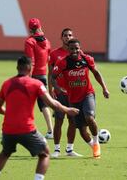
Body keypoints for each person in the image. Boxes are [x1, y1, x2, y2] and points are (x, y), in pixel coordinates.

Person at [0, 55, 79, 180]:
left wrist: (11, 114)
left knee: (5, 153)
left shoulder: (7, 84)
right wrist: (67, 109)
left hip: (8, 129)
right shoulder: (36, 84)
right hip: (27, 129)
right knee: (45, 154)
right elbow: (52, 103)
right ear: (29, 68)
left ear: (17, 67)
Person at [51, 39, 109, 158]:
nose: (75, 51)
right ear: (68, 49)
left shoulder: (87, 59)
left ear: (80, 47)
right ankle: (93, 147)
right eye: (72, 49)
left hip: (87, 94)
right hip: (73, 99)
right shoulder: (63, 62)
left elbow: (96, 73)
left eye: (77, 48)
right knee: (82, 131)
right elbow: (53, 77)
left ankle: (96, 142)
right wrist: (57, 88)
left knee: (90, 117)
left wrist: (104, 88)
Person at [47, 28, 81, 158]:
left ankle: (69, 149)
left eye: (70, 35)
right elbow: (50, 74)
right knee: (59, 121)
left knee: (73, 121)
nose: (68, 37)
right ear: (61, 38)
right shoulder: (55, 54)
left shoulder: (78, 53)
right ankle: (56, 150)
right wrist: (50, 90)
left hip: (73, 93)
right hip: (59, 92)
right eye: (65, 35)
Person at [24, 18, 54, 139]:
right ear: (40, 27)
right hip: (42, 76)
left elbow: (31, 61)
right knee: (44, 104)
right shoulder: (47, 41)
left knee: (23, 102)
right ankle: (51, 131)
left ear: (30, 29)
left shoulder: (30, 42)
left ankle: (19, 129)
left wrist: (28, 78)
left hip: (32, 75)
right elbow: (48, 60)